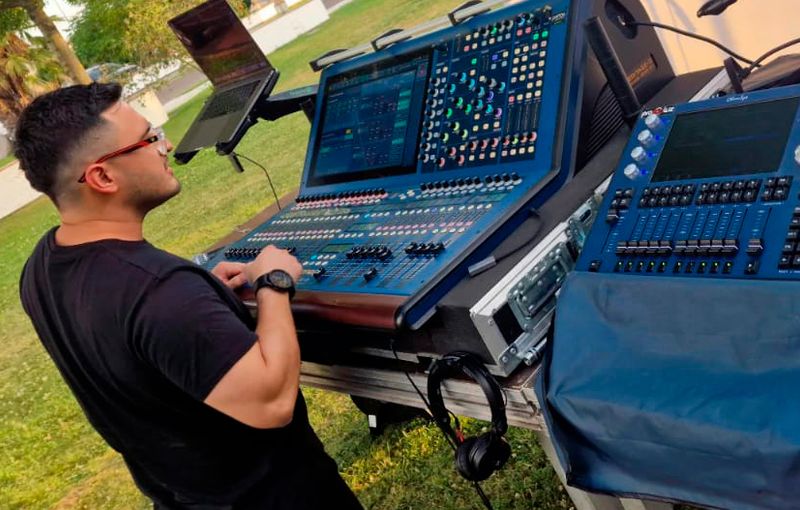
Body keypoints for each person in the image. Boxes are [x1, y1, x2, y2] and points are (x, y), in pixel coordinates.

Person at [15, 82, 363, 510]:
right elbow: (271, 402)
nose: (166, 146)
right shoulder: (160, 294)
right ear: (103, 177)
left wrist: (204, 294)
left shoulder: (41, 268)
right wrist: (273, 283)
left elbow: (127, 334)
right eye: (148, 139)